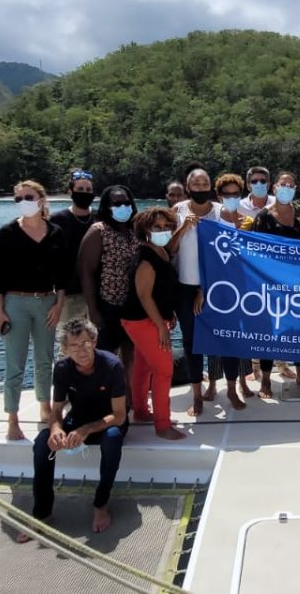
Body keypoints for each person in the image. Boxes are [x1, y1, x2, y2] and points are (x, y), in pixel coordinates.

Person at [18, 319, 126, 541]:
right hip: (78, 419)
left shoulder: (112, 365)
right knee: (41, 443)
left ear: (94, 341)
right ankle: (42, 513)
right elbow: (56, 411)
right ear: (65, 349)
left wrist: (86, 430)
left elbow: (120, 415)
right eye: (74, 346)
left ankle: (101, 503)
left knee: (113, 440)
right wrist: (56, 428)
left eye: (85, 343)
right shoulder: (63, 369)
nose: (82, 350)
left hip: (107, 421)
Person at [0, 180, 68, 441]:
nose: (24, 200)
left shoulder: (56, 232)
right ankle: (12, 418)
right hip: (15, 303)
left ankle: (45, 406)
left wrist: (59, 305)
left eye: (29, 196)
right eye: (19, 198)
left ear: (42, 199)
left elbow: (63, 277)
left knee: (45, 359)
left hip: (47, 301)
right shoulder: (6, 233)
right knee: (15, 362)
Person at [121, 207, 186, 440]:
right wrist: (161, 326)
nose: (163, 231)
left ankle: (140, 411)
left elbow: (163, 287)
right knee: (164, 370)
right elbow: (144, 295)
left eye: (166, 227)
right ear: (145, 230)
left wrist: (168, 315)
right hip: (142, 320)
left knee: (143, 365)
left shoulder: (160, 251)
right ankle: (162, 425)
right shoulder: (145, 258)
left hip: (153, 317)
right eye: (156, 227)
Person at [249, 170, 300, 396]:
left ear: (295, 189)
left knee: (299, 329)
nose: (286, 188)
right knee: (268, 330)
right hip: (269, 284)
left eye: (290, 185)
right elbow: (253, 251)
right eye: (282, 184)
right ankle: (265, 378)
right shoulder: (263, 216)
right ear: (274, 188)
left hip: (296, 283)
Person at [171, 165, 223, 416]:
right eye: (196, 184)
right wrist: (183, 229)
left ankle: (214, 385)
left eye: (205, 183)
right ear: (188, 186)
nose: (201, 187)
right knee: (190, 340)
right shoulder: (177, 211)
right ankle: (196, 394)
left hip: (213, 287)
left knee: (214, 337)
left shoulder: (221, 212)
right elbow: (168, 248)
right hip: (183, 287)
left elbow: (227, 254)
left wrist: (206, 287)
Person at [78, 185, 139, 373]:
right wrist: (93, 311)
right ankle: (105, 399)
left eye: (127, 202)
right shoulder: (98, 231)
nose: (123, 206)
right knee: (105, 357)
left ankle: (129, 398)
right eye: (117, 203)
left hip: (132, 305)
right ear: (107, 206)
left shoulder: (134, 230)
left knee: (131, 355)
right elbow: (86, 272)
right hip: (108, 305)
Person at [210, 173, 255, 408]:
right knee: (216, 337)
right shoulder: (212, 222)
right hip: (218, 289)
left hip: (244, 289)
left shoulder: (248, 221)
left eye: (235, 194)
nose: (231, 198)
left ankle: (241, 383)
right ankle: (219, 385)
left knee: (241, 337)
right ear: (219, 196)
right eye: (226, 195)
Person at [49, 169, 95, 324]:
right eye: (80, 189)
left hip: (98, 293)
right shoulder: (57, 220)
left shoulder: (100, 217)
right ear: (70, 191)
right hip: (69, 294)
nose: (85, 193)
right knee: (71, 343)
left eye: (88, 190)